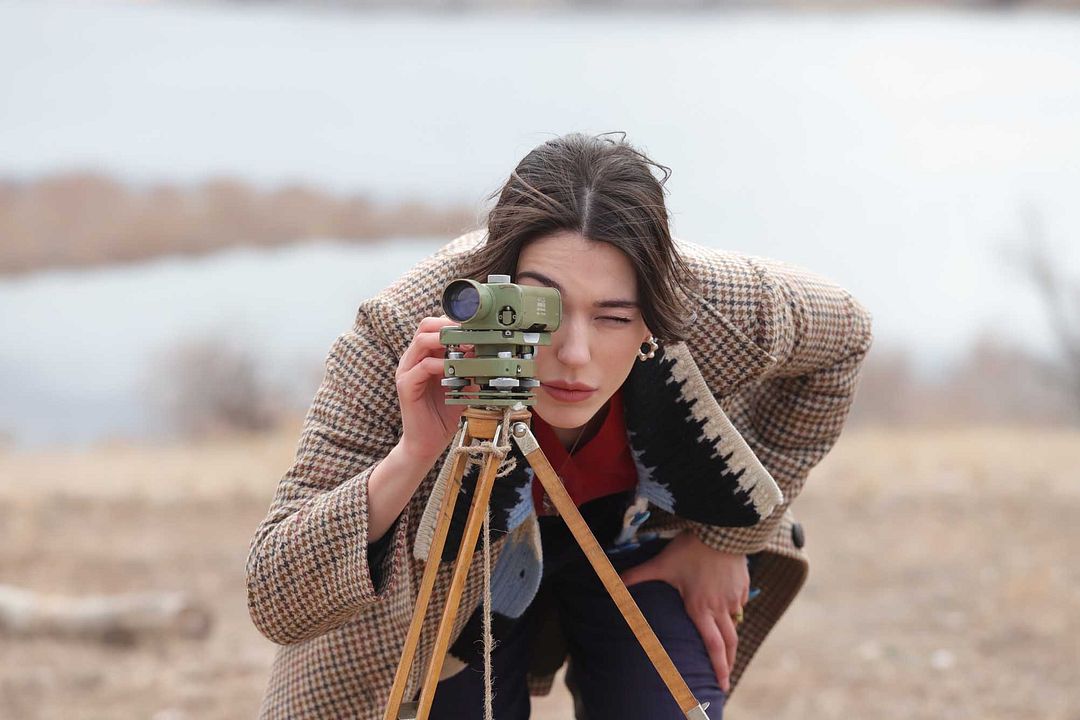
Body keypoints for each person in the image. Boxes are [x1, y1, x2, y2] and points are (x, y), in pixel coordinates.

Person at [246, 132, 873, 720]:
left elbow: (847, 335)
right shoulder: (406, 328)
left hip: (640, 532)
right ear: (497, 288)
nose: (575, 354)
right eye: (541, 309)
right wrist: (414, 453)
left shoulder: (720, 306)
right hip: (457, 566)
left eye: (613, 317)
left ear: (657, 314)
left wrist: (723, 541)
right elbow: (274, 593)